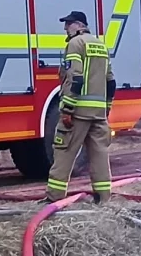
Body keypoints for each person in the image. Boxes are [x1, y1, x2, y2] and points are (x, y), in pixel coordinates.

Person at [46, 11, 116, 204]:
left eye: (68, 24)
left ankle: (54, 198)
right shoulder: (101, 45)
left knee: (64, 151)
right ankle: (103, 199)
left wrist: (67, 109)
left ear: (78, 25)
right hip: (98, 114)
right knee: (100, 155)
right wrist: (106, 108)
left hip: (78, 112)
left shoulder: (75, 44)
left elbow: (75, 78)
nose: (65, 29)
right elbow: (110, 81)